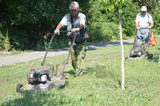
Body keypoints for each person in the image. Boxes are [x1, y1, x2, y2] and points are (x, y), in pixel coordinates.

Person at [54, 1, 87, 77]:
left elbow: (81, 24)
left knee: (80, 56)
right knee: (72, 56)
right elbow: (61, 23)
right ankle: (76, 70)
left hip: (81, 38)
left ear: (78, 9)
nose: (73, 11)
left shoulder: (82, 16)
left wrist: (77, 29)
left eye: (74, 10)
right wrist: (57, 29)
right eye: (71, 10)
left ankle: (79, 73)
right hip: (72, 39)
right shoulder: (67, 17)